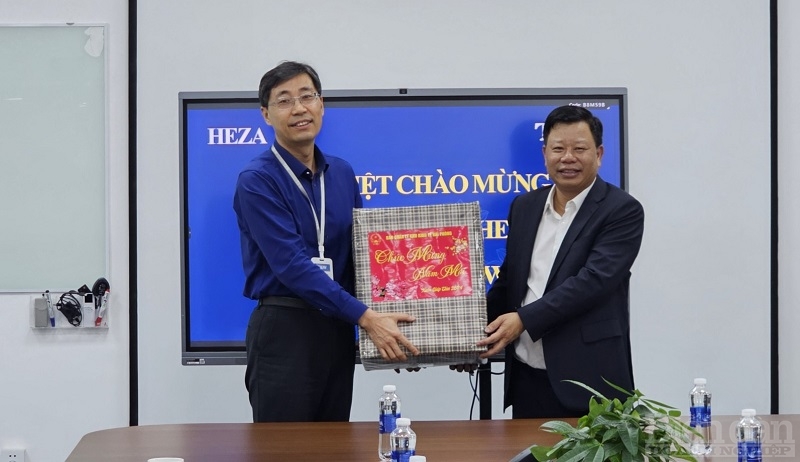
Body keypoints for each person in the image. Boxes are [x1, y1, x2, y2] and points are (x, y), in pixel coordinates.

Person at [233, 61, 419, 423]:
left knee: (334, 443)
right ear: (266, 115)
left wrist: (392, 331)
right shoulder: (257, 180)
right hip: (285, 330)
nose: (299, 109)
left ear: (321, 104)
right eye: (284, 100)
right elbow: (291, 265)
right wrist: (369, 319)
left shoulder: (341, 173)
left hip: (337, 329)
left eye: (307, 96)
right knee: (285, 447)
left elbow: (362, 258)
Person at [476, 105, 645, 418]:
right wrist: (467, 337)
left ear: (599, 154)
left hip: (591, 384)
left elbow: (593, 281)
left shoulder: (622, 210)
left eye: (579, 149)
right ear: (545, 154)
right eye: (558, 149)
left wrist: (523, 320)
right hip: (527, 379)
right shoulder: (525, 206)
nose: (568, 158)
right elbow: (510, 280)